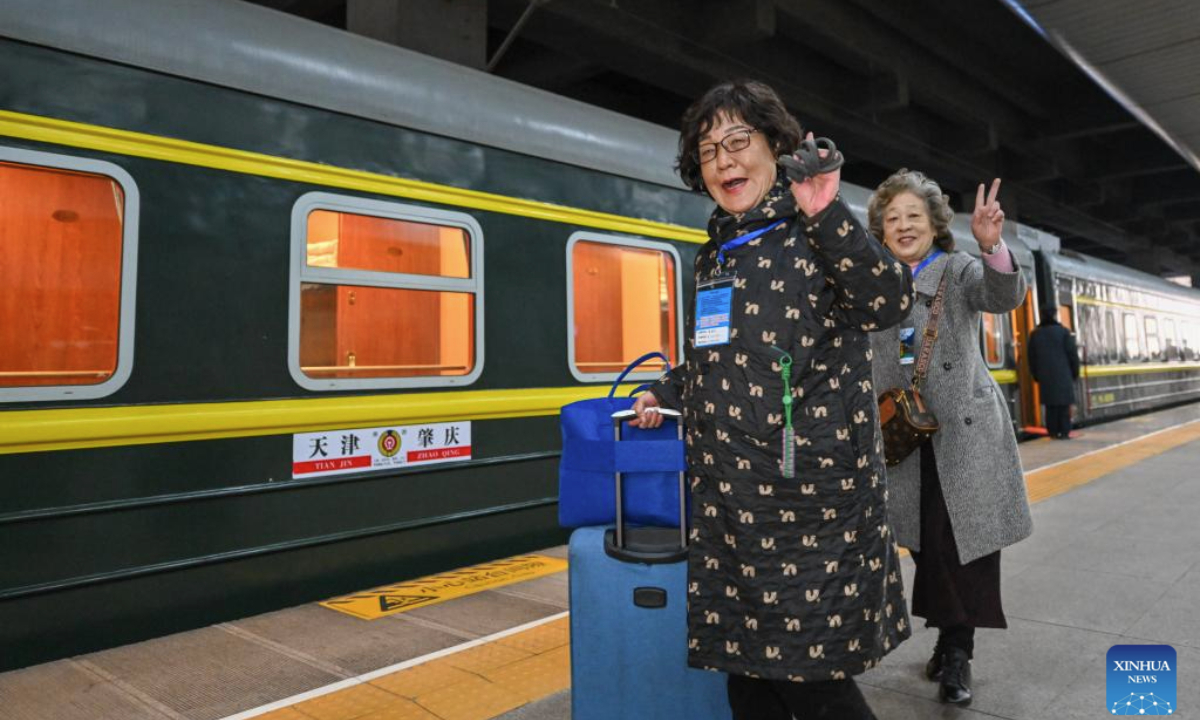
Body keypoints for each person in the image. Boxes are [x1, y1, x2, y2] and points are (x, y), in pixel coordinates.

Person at [631, 79, 913, 720]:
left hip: (809, 500)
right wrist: (664, 389)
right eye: (708, 151)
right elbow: (714, 357)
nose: (724, 160)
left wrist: (827, 213)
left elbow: (888, 301)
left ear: (775, 147)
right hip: (731, 505)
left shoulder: (813, 229)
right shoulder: (717, 254)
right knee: (748, 679)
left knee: (813, 682)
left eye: (738, 142)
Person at [867, 170, 1033, 706]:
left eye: (913, 215)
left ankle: (958, 651)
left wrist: (992, 246)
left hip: (964, 434)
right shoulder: (873, 280)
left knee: (966, 543)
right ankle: (948, 636)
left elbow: (1002, 296)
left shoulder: (958, 269)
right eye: (892, 218)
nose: (903, 225)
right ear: (881, 230)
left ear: (934, 223)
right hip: (905, 436)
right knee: (926, 544)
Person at [1028, 314, 1080, 439]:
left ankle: (1053, 432)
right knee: (1063, 406)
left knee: (1050, 406)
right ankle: (1064, 431)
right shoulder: (1063, 332)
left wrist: (1036, 375)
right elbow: (1073, 355)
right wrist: (1075, 373)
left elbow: (1032, 358)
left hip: (1046, 378)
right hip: (1064, 375)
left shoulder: (1035, 335)